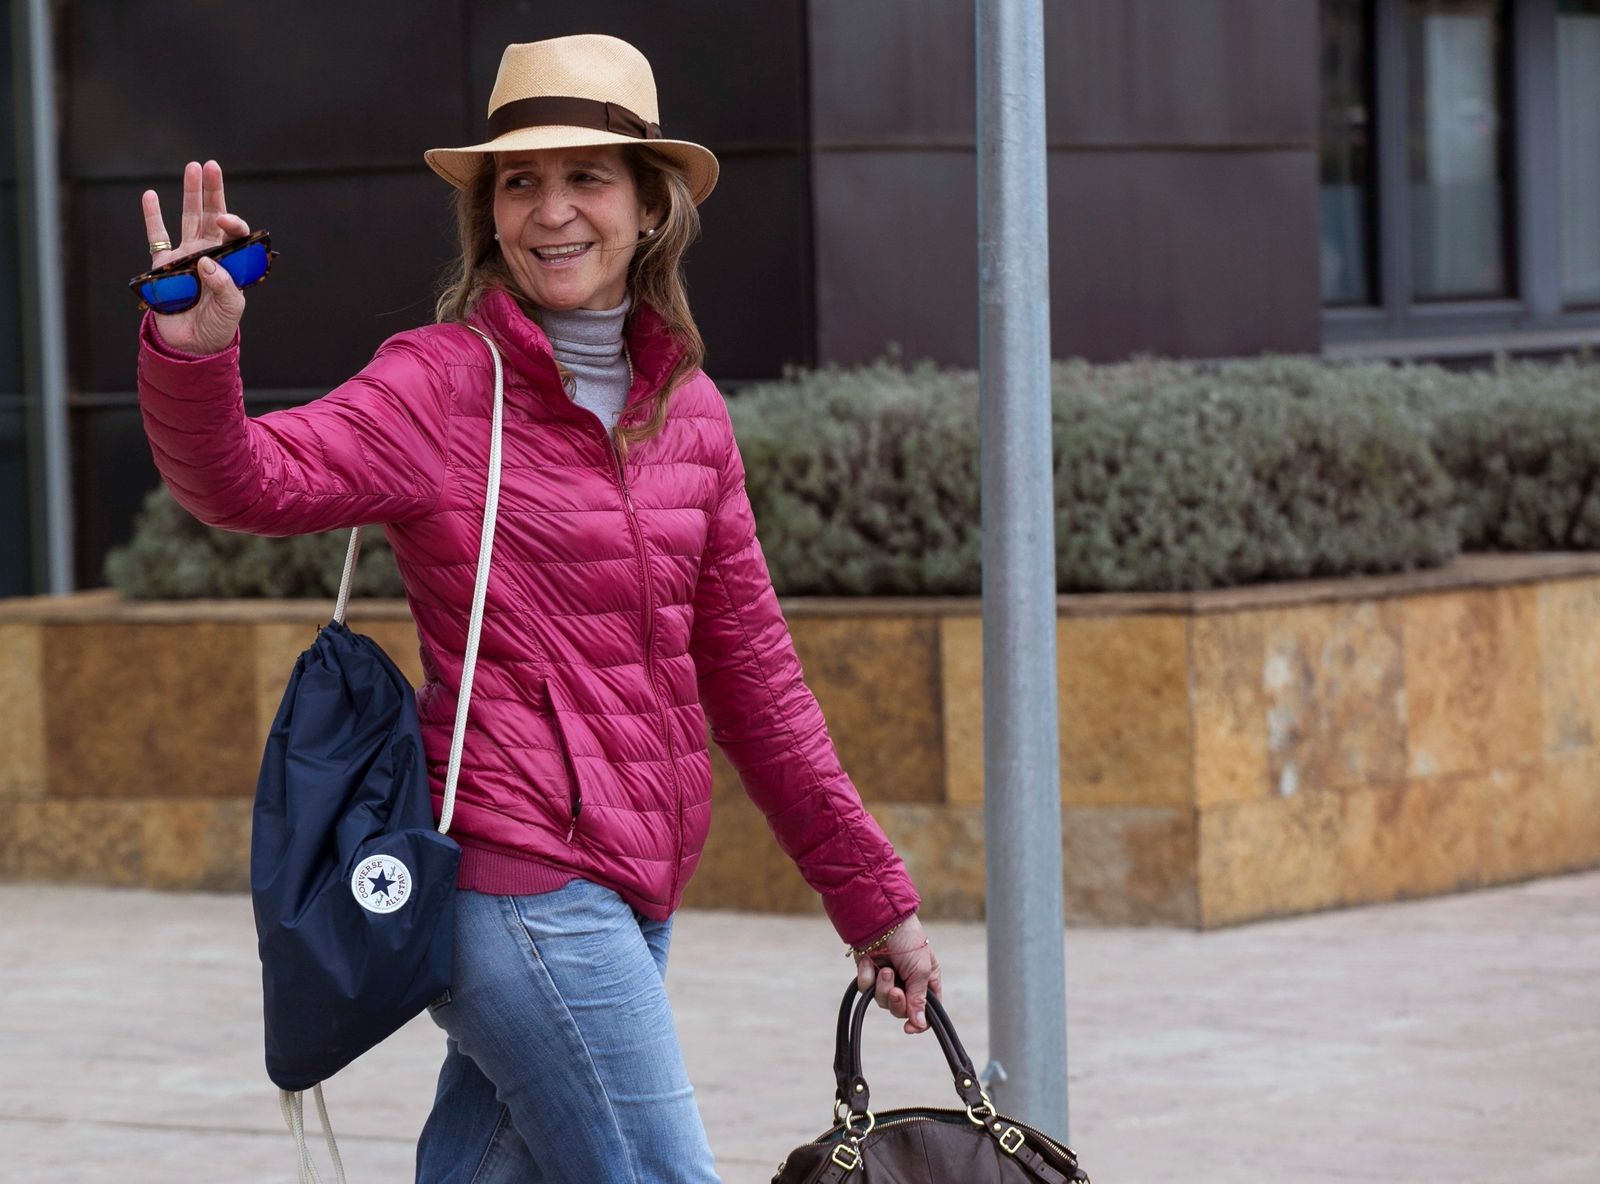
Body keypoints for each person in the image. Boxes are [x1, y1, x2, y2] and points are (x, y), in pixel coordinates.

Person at [134, 33, 939, 1184]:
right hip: (514, 881)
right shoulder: (441, 382)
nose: (551, 210)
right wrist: (193, 351)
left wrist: (874, 901)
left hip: (635, 881)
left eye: (585, 177)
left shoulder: (690, 412)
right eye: (521, 181)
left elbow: (760, 685)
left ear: (651, 206)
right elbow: (246, 480)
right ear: (490, 215)